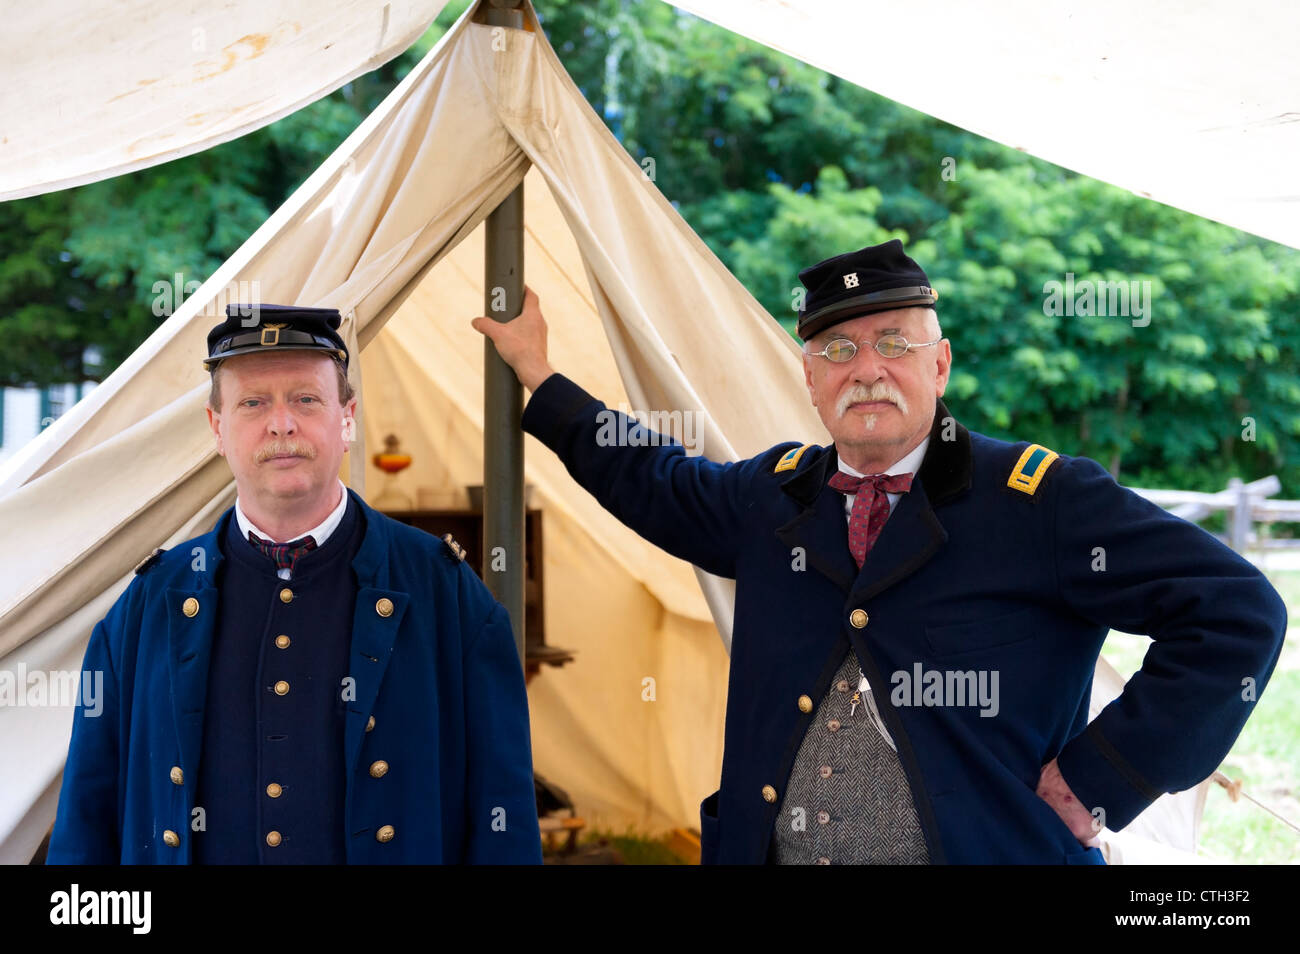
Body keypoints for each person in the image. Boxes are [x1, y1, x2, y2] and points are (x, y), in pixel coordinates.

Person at [471, 241, 1287, 864]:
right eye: (837, 350)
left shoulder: (1043, 500)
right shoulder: (774, 496)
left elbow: (1236, 614)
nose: (865, 370)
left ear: (939, 363)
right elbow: (653, 476)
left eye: (892, 342)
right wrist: (540, 375)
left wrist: (1101, 779)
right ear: (809, 379)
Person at [47, 304, 542, 864]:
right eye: (253, 403)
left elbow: (504, 816)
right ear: (217, 429)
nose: (281, 423)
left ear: (347, 417)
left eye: (305, 399)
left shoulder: (445, 592)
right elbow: (86, 821)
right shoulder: (148, 602)